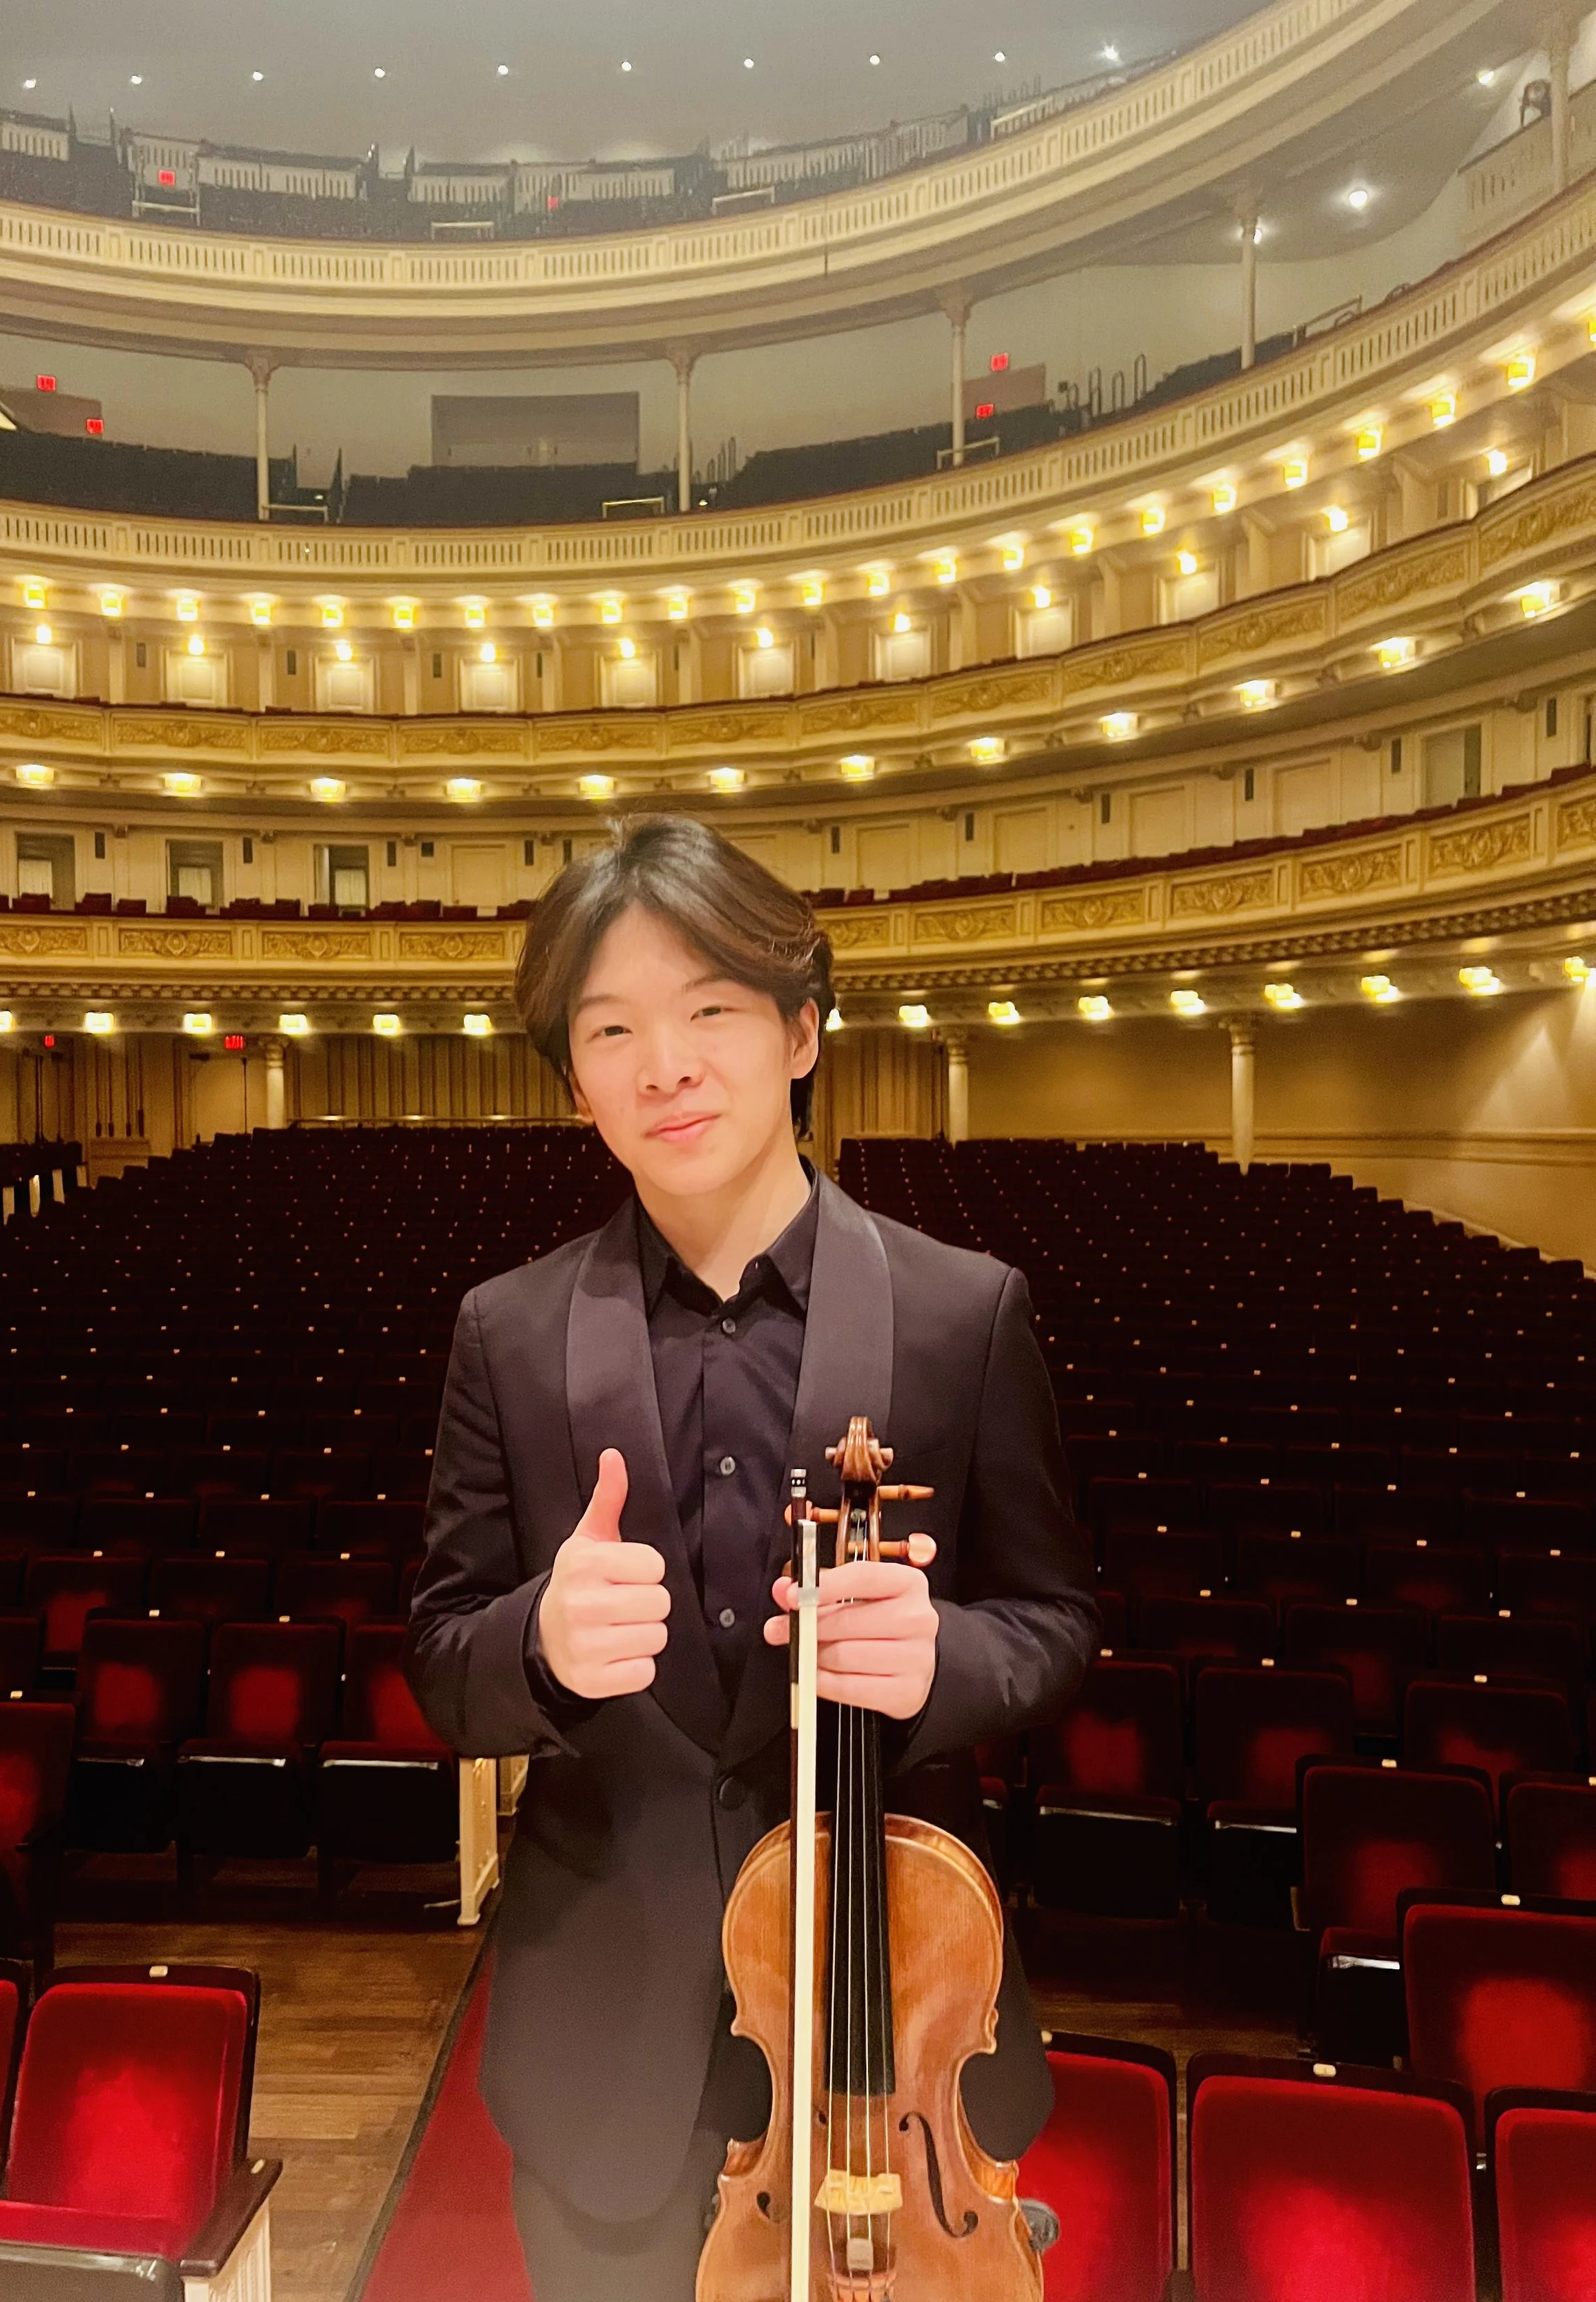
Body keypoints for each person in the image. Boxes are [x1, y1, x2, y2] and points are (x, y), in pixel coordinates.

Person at [405, 814, 1098, 2302]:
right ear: (576, 1079)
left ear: (799, 1031)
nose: (664, 1065)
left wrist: (945, 1657)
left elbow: (1053, 1619)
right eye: (611, 1029)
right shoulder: (505, 1332)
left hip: (885, 2033)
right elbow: (444, 1663)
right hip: (607, 2048)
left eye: (709, 1009)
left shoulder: (964, 1310)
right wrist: (538, 1645)